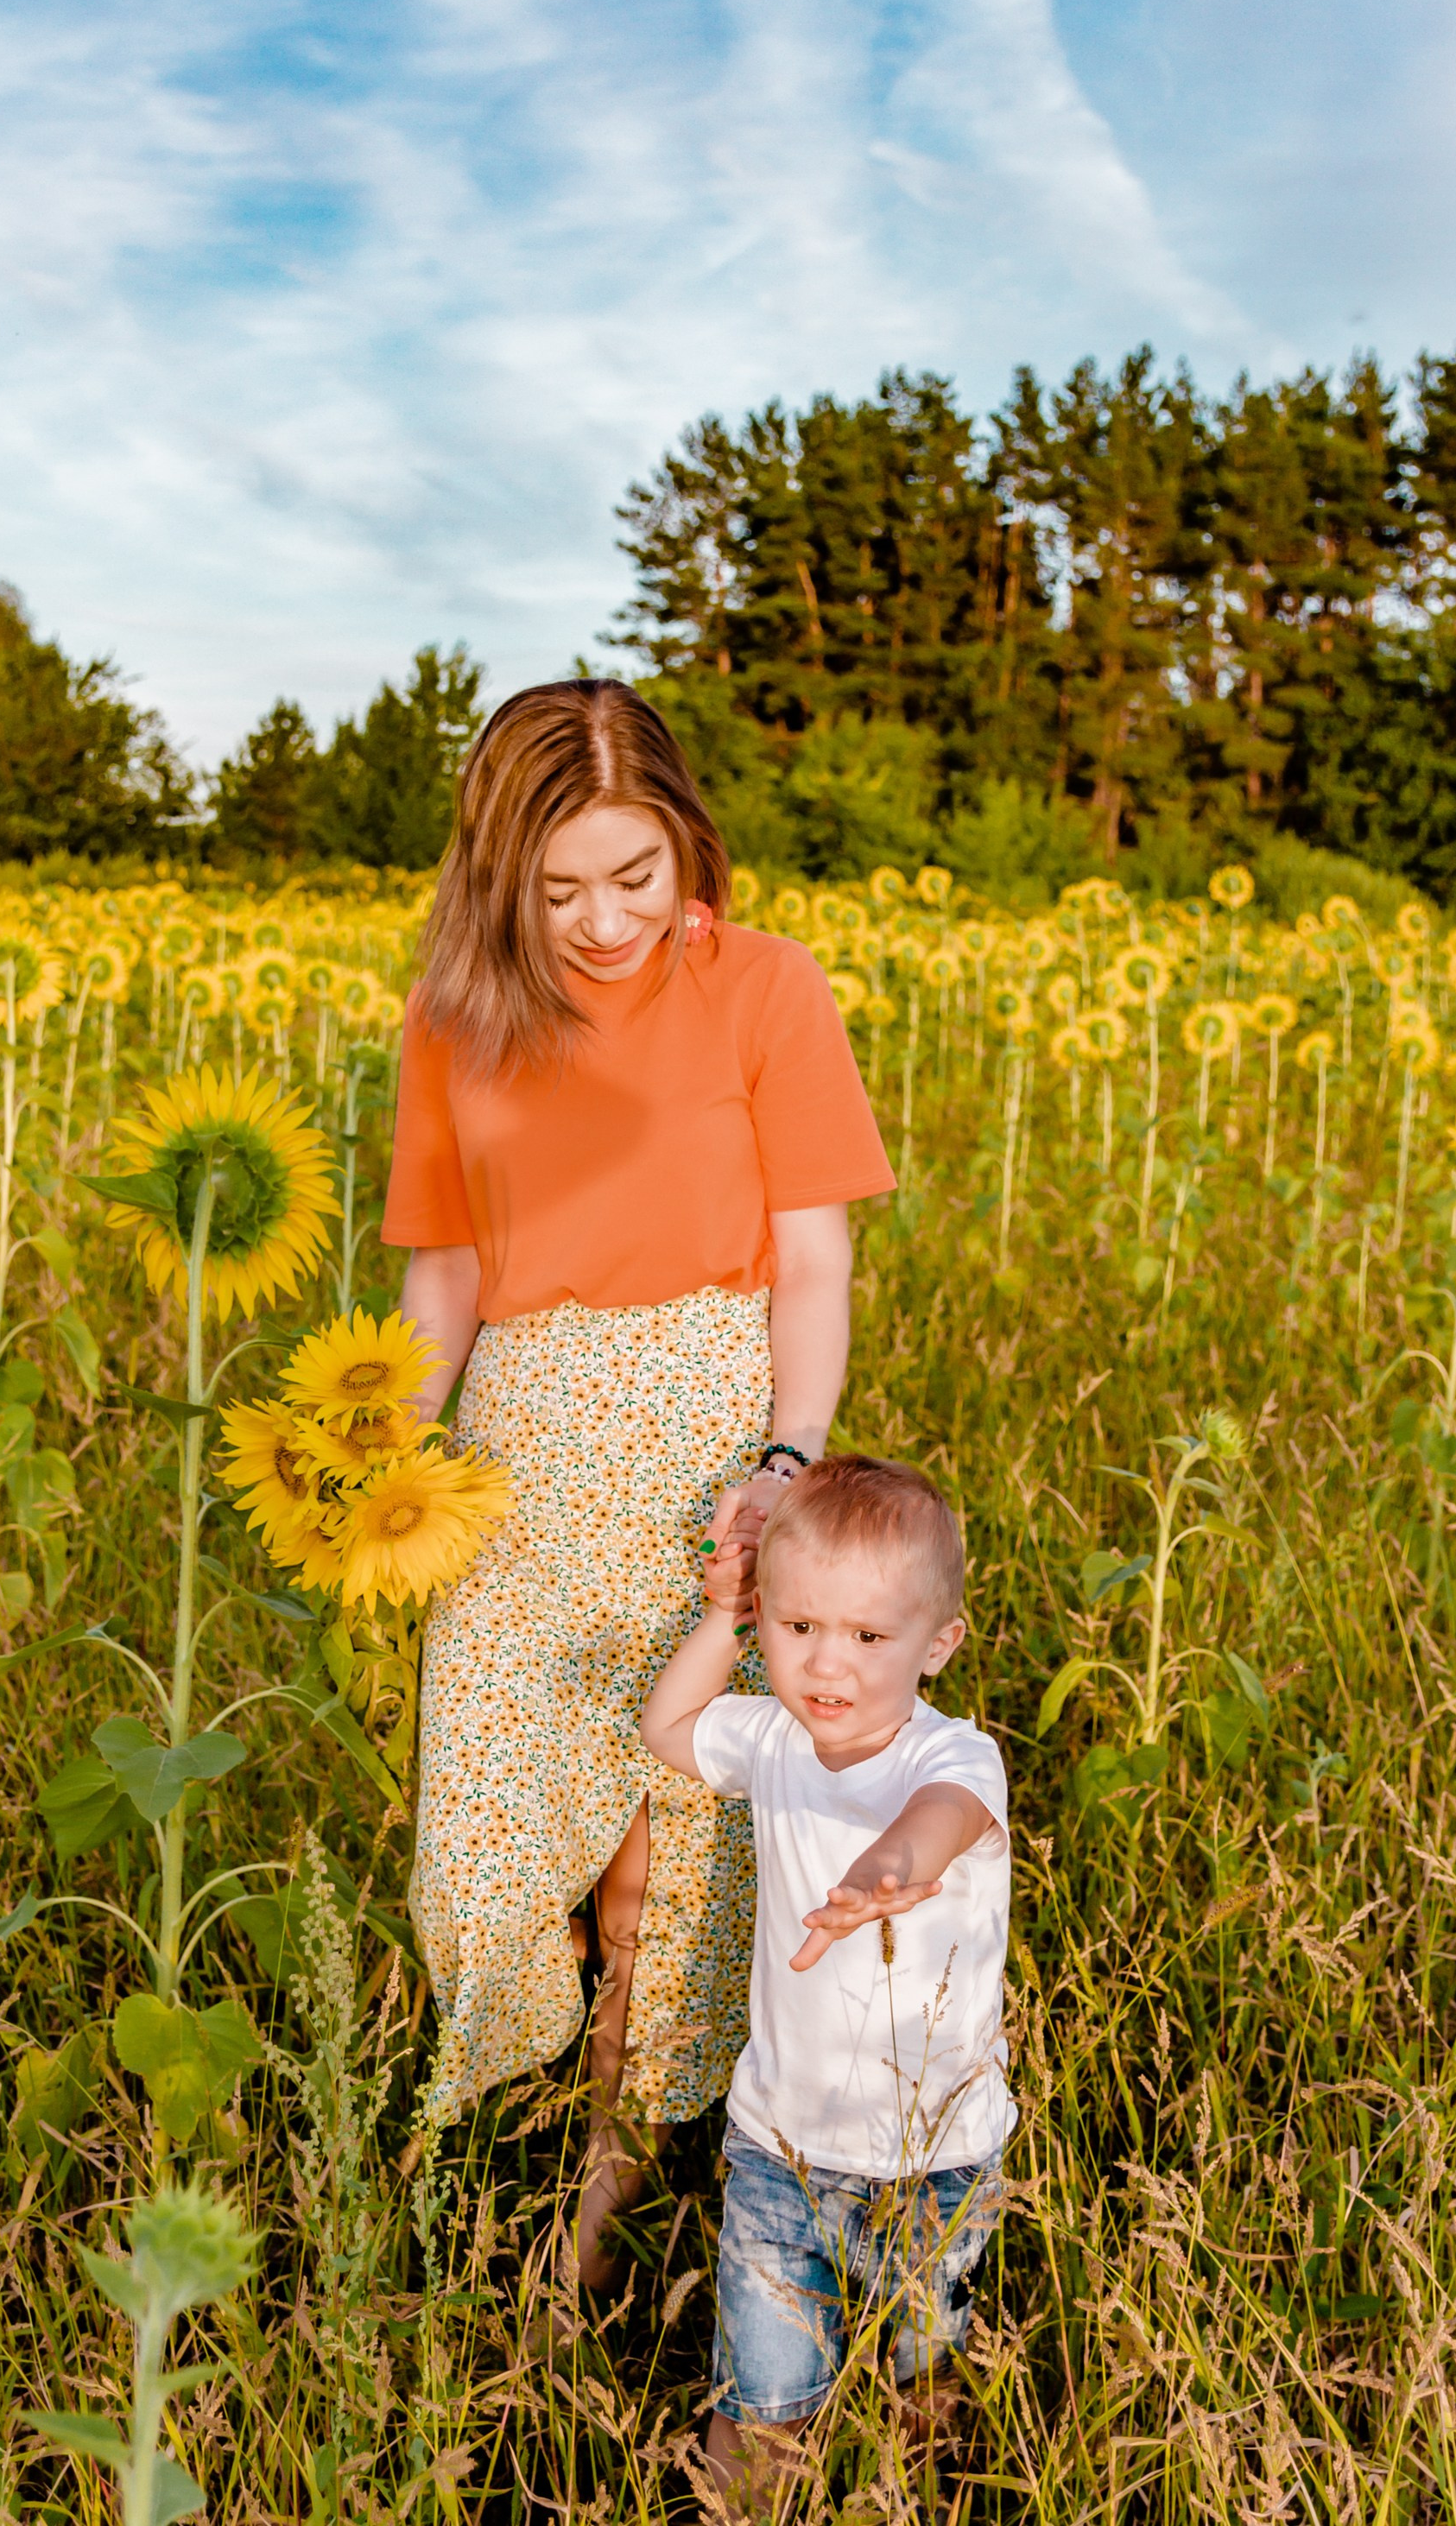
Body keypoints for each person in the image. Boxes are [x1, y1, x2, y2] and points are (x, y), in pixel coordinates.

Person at [380, 679, 895, 2282]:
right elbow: (446, 1280)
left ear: (688, 848)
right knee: (479, 1847)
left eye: (636, 876)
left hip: (707, 1441)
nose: (604, 919)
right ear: (498, 876)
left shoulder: (767, 990)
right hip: (521, 1457)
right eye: (560, 888)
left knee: (669, 1853)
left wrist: (788, 1458)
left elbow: (812, 1261)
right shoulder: (457, 1017)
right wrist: (378, 1455)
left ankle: (607, 2189)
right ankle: (509, 2077)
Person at [642, 1454, 1012, 2506]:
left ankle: (927, 2490)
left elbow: (937, 1824)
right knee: (758, 2401)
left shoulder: (951, 1760)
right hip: (779, 2151)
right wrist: (721, 1618)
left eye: (866, 1637)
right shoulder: (773, 1742)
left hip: (932, 2156)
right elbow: (666, 1728)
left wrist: (886, 1873)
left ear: (936, 1645)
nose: (825, 1667)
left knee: (924, 2378)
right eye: (795, 1628)